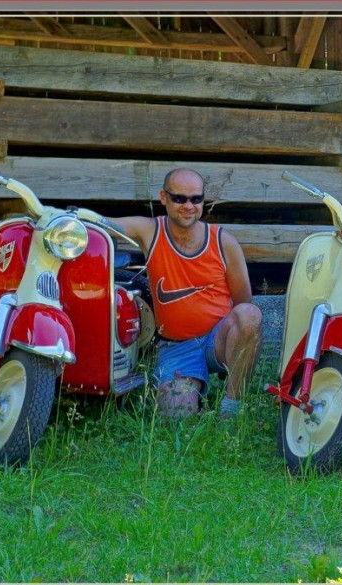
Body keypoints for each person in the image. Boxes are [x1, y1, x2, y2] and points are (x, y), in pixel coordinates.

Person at [108, 168, 262, 418]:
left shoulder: (224, 242)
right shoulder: (151, 231)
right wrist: (64, 217)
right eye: (179, 198)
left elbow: (244, 304)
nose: (188, 206)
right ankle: (193, 393)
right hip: (176, 347)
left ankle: (231, 407)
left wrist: (235, 347)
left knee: (250, 315)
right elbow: (107, 224)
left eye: (196, 199)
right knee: (176, 418)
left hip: (217, 340)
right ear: (163, 197)